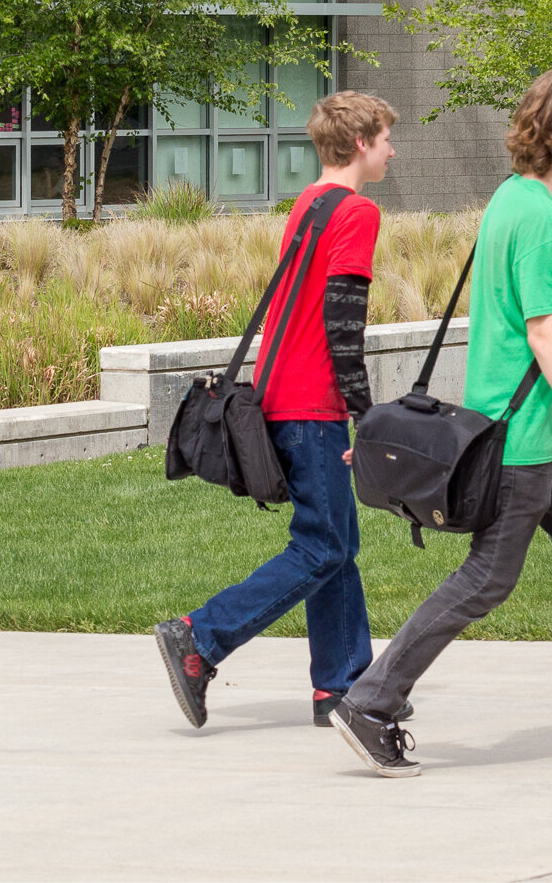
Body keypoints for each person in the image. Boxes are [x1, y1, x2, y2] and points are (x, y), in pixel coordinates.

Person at [332, 68, 552, 775]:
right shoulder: (535, 217)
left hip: (538, 438)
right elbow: (544, 331)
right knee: (489, 577)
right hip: (525, 439)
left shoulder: (519, 199)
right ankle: (371, 699)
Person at [155, 89, 397, 732]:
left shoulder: (306, 204)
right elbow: (343, 321)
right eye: (387, 139)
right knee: (320, 546)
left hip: (280, 395)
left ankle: (340, 687)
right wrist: (365, 414)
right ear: (362, 143)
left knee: (338, 545)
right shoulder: (356, 213)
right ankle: (199, 639)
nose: (393, 151)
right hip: (314, 403)